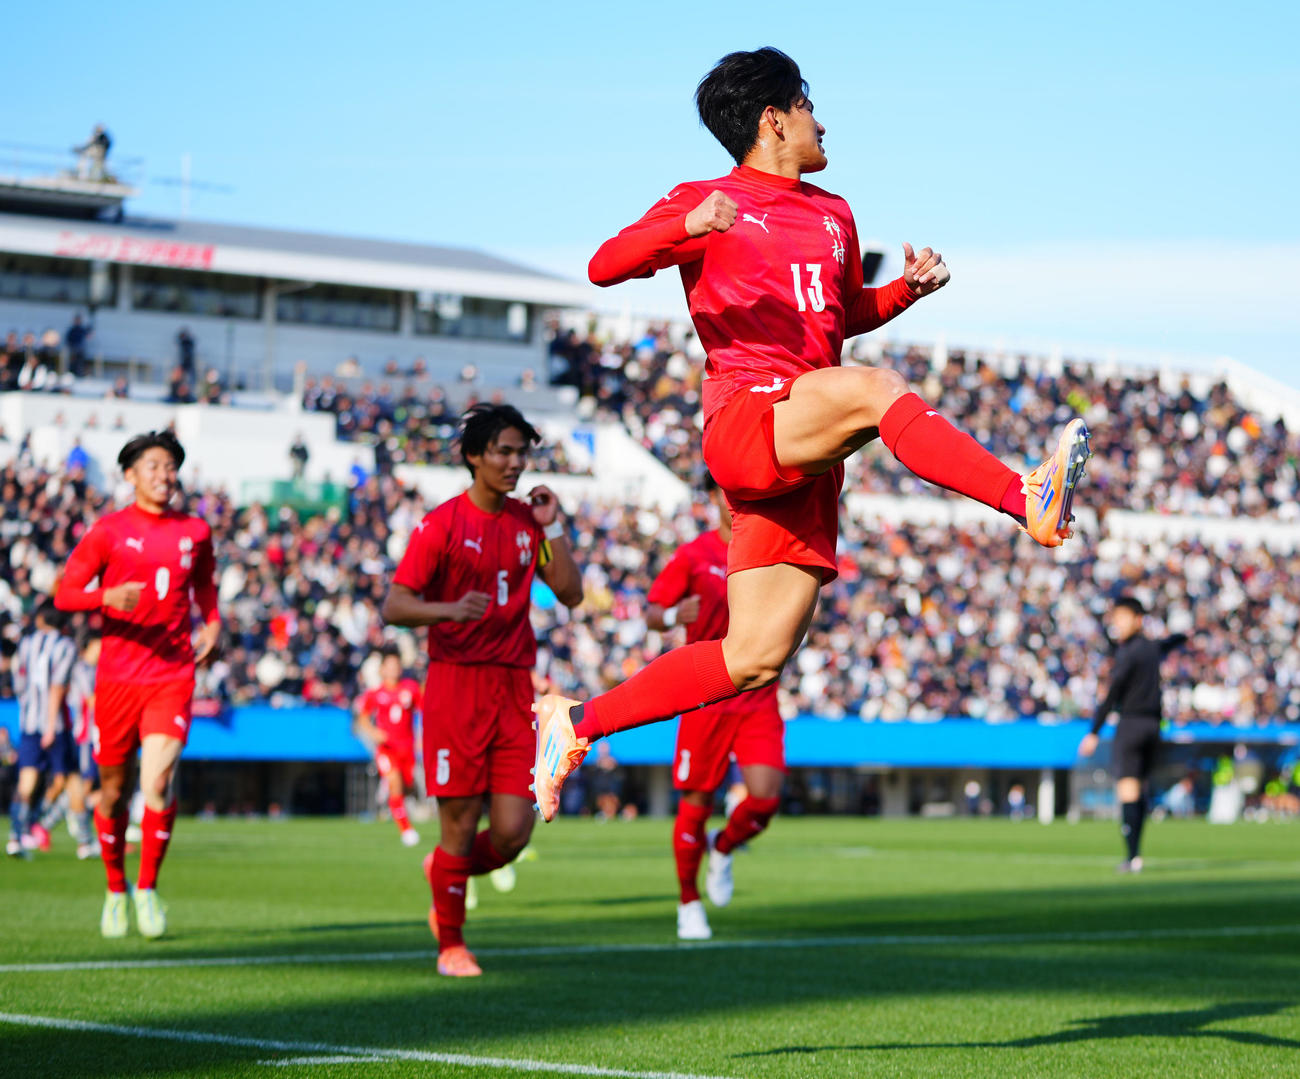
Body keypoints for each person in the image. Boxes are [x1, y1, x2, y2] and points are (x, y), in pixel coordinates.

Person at [531, 47, 1091, 818]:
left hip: (806, 443)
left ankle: (574, 722)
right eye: (807, 105)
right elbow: (603, 265)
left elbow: (838, 314)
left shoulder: (834, 213)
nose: (820, 122)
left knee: (753, 658)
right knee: (877, 389)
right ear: (773, 119)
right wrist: (687, 225)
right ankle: (1025, 496)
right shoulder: (708, 200)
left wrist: (902, 293)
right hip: (748, 414)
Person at [381, 403, 583, 977]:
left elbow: (570, 594)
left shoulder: (528, 523)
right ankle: (451, 946)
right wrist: (448, 610)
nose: (515, 463)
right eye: (503, 451)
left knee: (515, 831)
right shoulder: (442, 524)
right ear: (474, 456)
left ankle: (444, 872)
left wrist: (554, 526)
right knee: (461, 824)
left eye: (522, 453)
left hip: (513, 688)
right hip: (455, 684)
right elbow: (395, 605)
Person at [54, 429, 221, 938]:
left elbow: (205, 585)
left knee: (157, 783)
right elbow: (64, 594)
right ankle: (115, 888)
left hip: (172, 673)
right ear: (130, 475)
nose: (165, 475)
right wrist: (105, 597)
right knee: (112, 793)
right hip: (117, 679)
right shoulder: (108, 531)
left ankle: (147, 888)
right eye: (154, 466)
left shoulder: (195, 530)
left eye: (171, 467)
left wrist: (213, 623)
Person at [645, 475, 785, 941]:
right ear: (711, 499)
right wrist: (672, 615)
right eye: (726, 494)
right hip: (705, 692)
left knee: (765, 798)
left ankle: (722, 846)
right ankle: (688, 902)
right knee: (697, 801)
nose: (734, 501)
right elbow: (652, 611)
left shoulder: (768, 547)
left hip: (757, 694)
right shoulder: (694, 554)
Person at [1078, 596, 1188, 873]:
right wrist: (1184, 635)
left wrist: (1094, 732)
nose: (1117, 623)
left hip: (1131, 724)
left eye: (1122, 618)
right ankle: (1136, 854)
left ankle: (1132, 856)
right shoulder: (1151, 648)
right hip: (1154, 726)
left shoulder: (1128, 652)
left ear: (1138, 620)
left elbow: (1113, 692)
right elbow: (1171, 642)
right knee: (1141, 788)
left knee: (1128, 789)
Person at [7, 602, 77, 858]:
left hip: (29, 721)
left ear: (41, 619)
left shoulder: (26, 644)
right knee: (64, 779)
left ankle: (16, 837)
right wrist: (49, 726)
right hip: (53, 724)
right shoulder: (66, 646)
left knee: (27, 781)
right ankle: (36, 825)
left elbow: (19, 684)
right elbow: (57, 687)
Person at [354, 646, 422, 846]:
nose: (393, 669)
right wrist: (374, 732)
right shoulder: (375, 694)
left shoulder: (410, 689)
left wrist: (422, 737)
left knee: (407, 787)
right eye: (390, 665)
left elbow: (423, 711)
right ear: (382, 669)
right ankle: (406, 830)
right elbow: (362, 719)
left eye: (396, 665)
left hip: (407, 749)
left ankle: (395, 803)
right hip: (386, 750)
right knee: (394, 781)